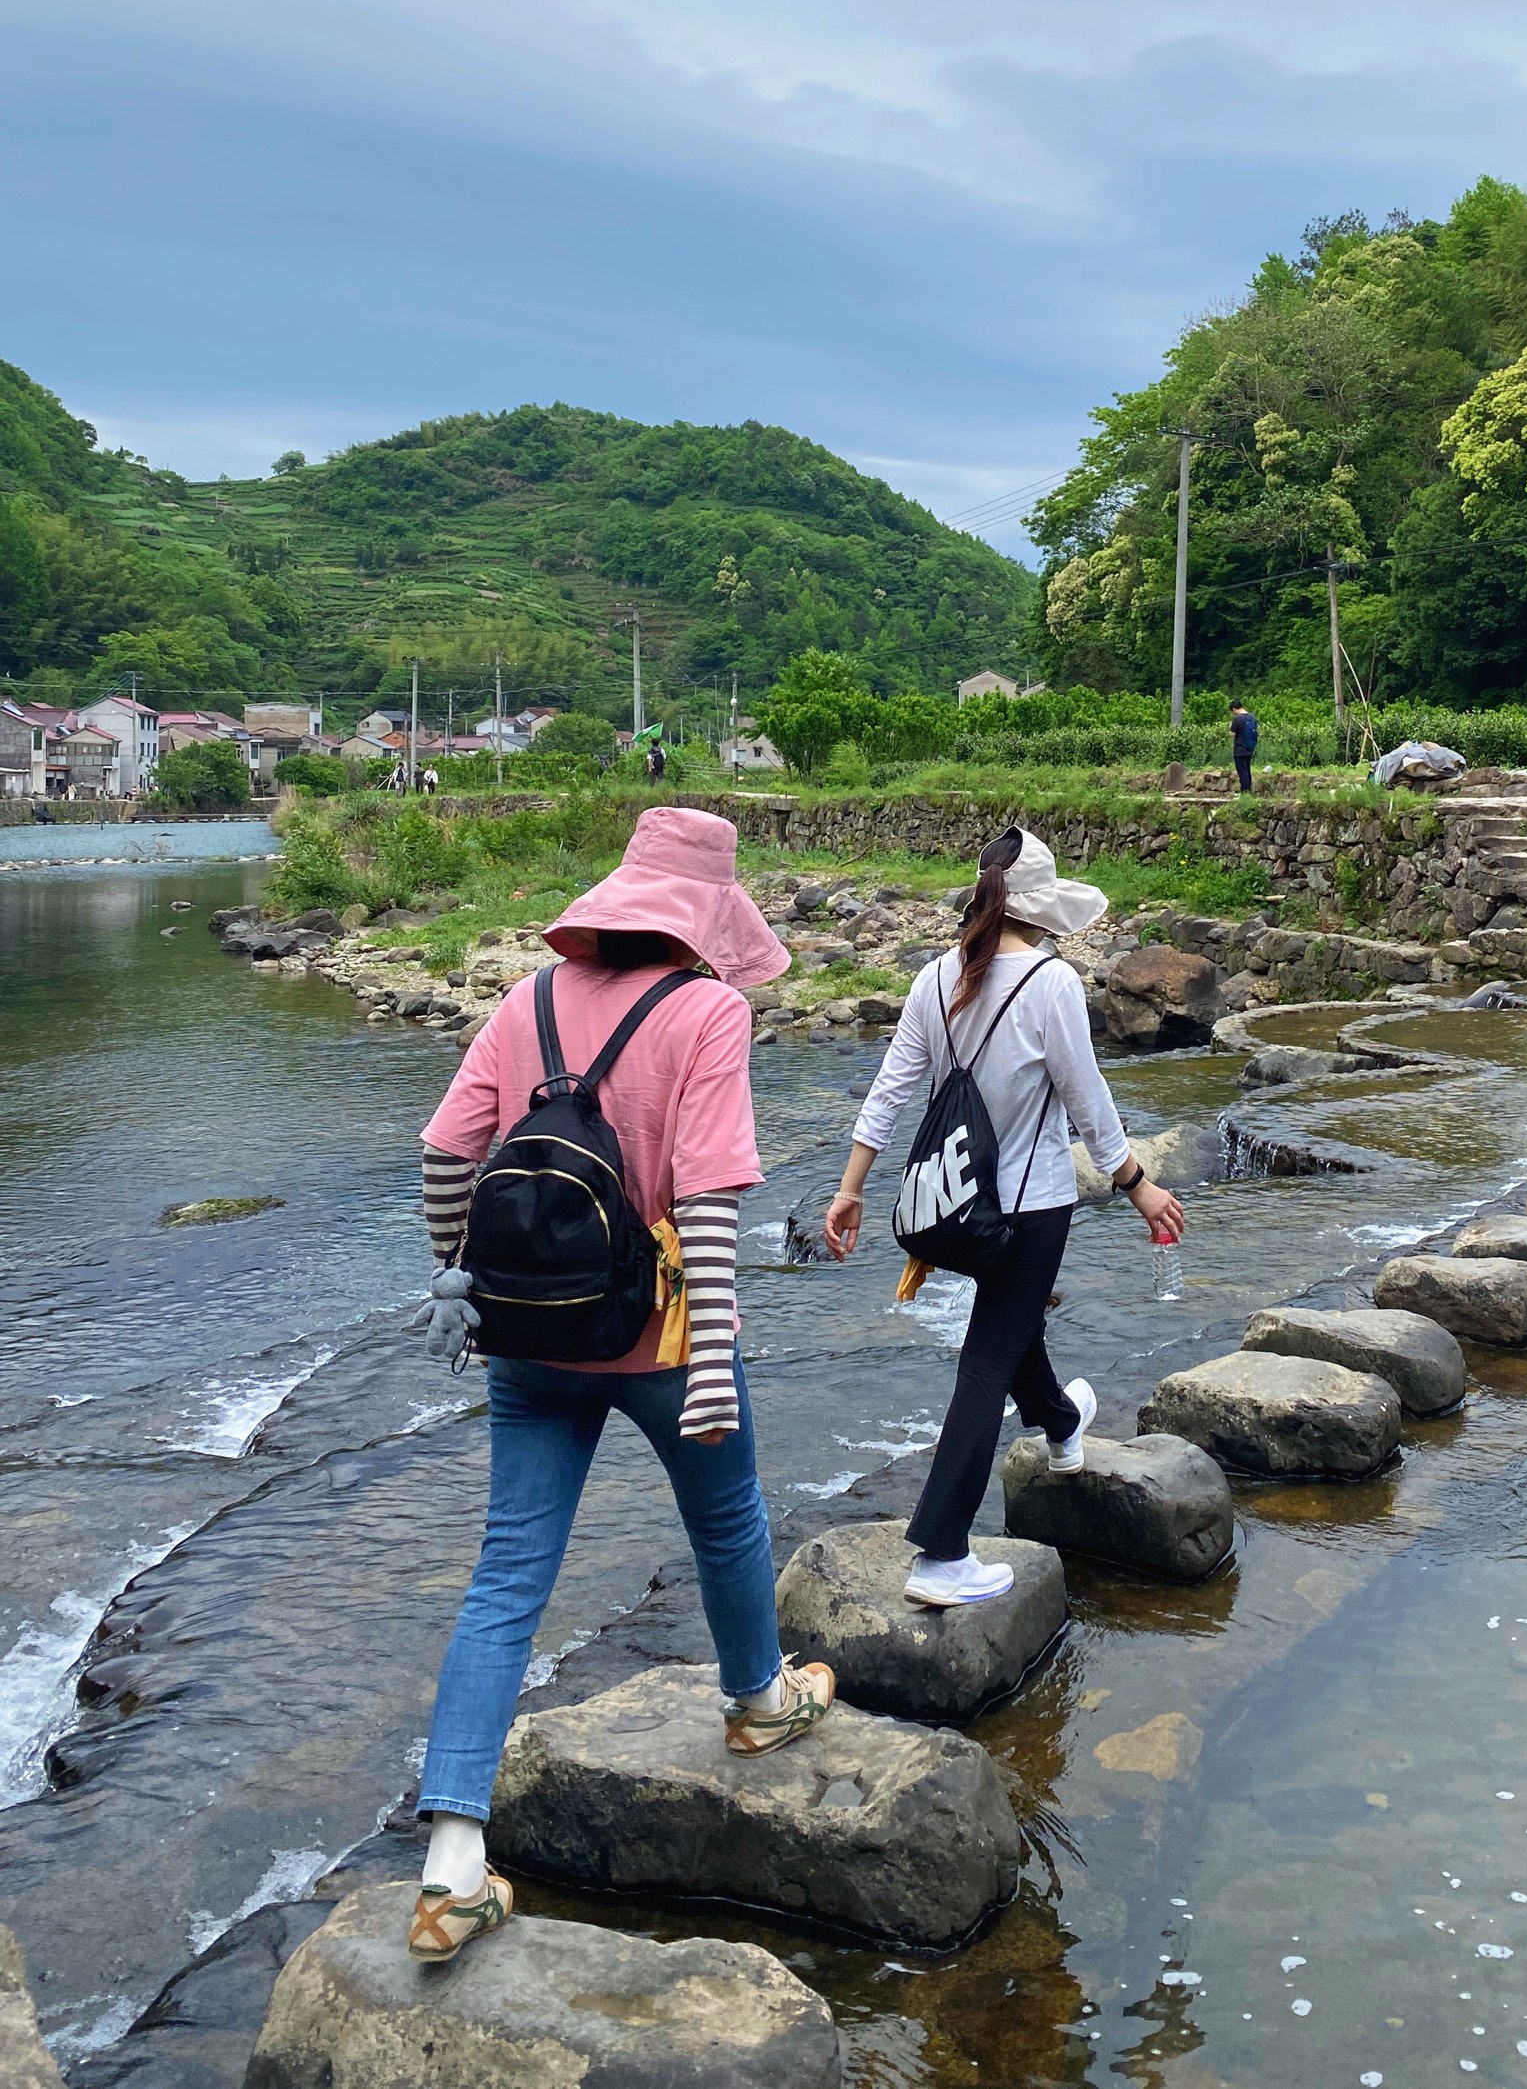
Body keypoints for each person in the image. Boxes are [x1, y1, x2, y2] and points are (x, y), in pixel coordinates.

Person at [403, 808, 833, 1963]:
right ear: (705, 920)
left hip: (530, 1341)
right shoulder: (708, 1009)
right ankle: (756, 1703)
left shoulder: (528, 998)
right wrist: (709, 1358)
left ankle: (450, 1864)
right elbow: (707, 1198)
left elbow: (447, 1152)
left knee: (505, 1575)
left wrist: (457, 1280)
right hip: (657, 1336)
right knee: (727, 1517)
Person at [823, 827, 1185, 1609]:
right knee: (988, 1361)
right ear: (1041, 909)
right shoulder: (1050, 984)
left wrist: (850, 1188)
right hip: (1028, 1211)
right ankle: (941, 1554)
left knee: (1011, 1330)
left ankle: (1062, 1425)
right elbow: (1089, 1102)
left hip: (952, 1207)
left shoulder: (934, 978)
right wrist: (1139, 1186)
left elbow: (888, 1093)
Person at [1229, 699, 1259, 793]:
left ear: (1234, 709)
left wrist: (1229, 729)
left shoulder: (1237, 719)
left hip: (1239, 749)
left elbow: (1233, 734)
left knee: (1242, 772)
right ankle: (1248, 790)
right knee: (1247, 770)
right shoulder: (1252, 717)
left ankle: (1245, 792)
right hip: (1250, 748)